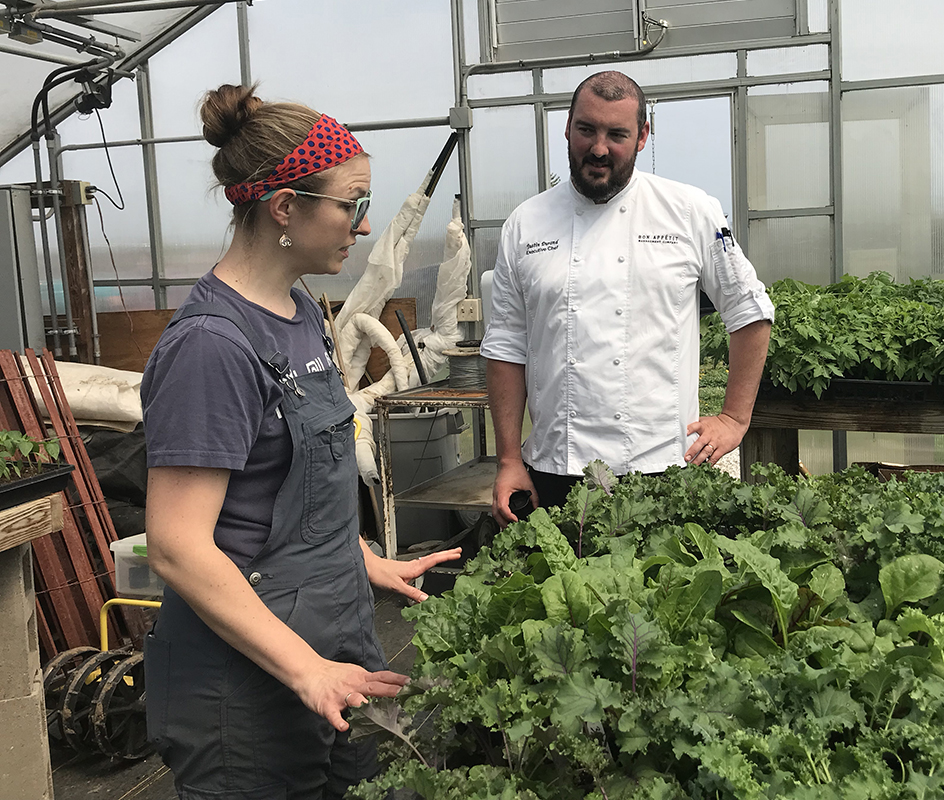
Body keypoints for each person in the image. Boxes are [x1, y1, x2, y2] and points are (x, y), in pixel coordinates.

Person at [140, 84, 460, 800]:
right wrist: (304, 668)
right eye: (351, 204)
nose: (366, 226)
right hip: (251, 681)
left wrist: (357, 558)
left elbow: (279, 490)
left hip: (336, 639)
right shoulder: (211, 347)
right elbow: (177, 545)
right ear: (285, 207)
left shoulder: (300, 315)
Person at [482, 71, 775, 524]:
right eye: (587, 130)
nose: (599, 148)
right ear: (567, 127)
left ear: (642, 137)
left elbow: (750, 311)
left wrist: (735, 418)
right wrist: (507, 460)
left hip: (663, 466)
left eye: (616, 134)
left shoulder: (690, 211)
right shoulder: (526, 223)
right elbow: (505, 345)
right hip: (556, 468)